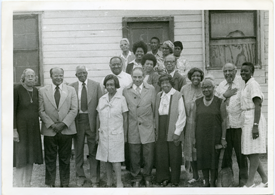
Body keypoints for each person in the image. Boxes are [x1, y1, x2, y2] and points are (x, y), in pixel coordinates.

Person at [39, 67, 78, 187]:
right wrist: (51, 125)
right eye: (56, 75)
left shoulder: (71, 90)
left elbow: (74, 109)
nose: (58, 77)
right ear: (51, 76)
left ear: (63, 75)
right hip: (50, 130)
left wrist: (63, 124)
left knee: (65, 159)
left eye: (61, 75)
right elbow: (41, 110)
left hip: (66, 129)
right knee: (50, 158)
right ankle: (50, 184)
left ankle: (64, 184)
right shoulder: (42, 90)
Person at [215, 63, 248, 187]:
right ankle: (228, 182)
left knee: (241, 155)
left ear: (235, 71)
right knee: (226, 156)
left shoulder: (242, 84)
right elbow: (216, 102)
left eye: (230, 70)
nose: (228, 73)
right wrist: (225, 95)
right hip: (225, 128)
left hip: (239, 125)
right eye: (225, 71)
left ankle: (243, 181)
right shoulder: (220, 86)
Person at [123, 67, 156, 187]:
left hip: (148, 126)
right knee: (134, 154)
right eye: (135, 77)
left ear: (143, 77)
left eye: (140, 77)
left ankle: (147, 176)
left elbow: (154, 108)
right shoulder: (126, 90)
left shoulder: (151, 89)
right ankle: (136, 177)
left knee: (148, 154)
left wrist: (154, 126)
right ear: (131, 77)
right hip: (133, 126)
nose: (137, 79)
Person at [191, 76, 227, 187]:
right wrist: (193, 138)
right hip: (201, 137)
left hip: (214, 137)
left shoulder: (220, 102)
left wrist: (223, 138)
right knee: (203, 159)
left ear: (213, 88)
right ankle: (206, 181)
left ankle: (213, 182)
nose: (206, 89)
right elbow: (193, 121)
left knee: (214, 161)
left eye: (208, 87)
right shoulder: (197, 103)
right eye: (204, 87)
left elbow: (224, 121)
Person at [70, 66, 102, 187]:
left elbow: (101, 105)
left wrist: (99, 124)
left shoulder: (96, 85)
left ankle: (95, 178)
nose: (82, 75)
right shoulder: (71, 86)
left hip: (92, 120)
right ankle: (80, 176)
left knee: (93, 150)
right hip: (78, 120)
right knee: (78, 150)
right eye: (79, 73)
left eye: (84, 72)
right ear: (76, 75)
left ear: (87, 73)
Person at [96, 74, 128, 188]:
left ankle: (119, 182)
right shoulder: (102, 99)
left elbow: (125, 118)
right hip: (104, 133)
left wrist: (125, 135)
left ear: (116, 86)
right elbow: (98, 117)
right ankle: (109, 182)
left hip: (117, 134)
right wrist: (97, 134)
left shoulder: (121, 99)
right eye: (107, 85)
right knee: (106, 159)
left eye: (112, 85)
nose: (109, 87)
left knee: (116, 159)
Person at [101, 56, 132, 170]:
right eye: (113, 64)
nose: (116, 66)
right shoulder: (105, 79)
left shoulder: (129, 78)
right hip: (112, 115)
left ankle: (126, 165)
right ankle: (114, 165)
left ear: (122, 64)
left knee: (125, 138)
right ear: (110, 66)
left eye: (118, 64)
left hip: (126, 111)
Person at [155, 74, 186, 187]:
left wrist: (177, 132)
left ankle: (174, 180)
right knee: (161, 155)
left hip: (173, 127)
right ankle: (164, 178)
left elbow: (182, 114)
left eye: (167, 82)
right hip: (161, 127)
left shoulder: (177, 95)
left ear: (171, 83)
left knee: (174, 156)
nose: (165, 85)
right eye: (162, 83)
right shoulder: (159, 95)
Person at [13, 69, 43, 187]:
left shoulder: (36, 91)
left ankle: (28, 184)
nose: (31, 78)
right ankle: (19, 185)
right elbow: (12, 111)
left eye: (33, 76)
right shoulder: (17, 90)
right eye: (28, 76)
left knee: (31, 157)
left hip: (33, 129)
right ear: (23, 78)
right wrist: (14, 130)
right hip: (21, 129)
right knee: (21, 157)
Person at [240, 62, 268, 188]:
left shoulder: (253, 84)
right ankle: (265, 179)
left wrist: (255, 125)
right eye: (241, 71)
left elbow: (258, 105)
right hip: (247, 118)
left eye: (246, 71)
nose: (243, 73)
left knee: (254, 151)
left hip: (253, 118)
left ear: (252, 72)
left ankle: (250, 182)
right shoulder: (246, 85)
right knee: (250, 151)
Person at [180, 68, 204, 184]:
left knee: (202, 149)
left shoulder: (205, 88)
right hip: (189, 123)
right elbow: (180, 106)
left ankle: (205, 175)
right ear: (190, 77)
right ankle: (195, 175)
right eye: (194, 76)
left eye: (198, 76)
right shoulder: (184, 89)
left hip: (202, 123)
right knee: (191, 150)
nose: (196, 78)